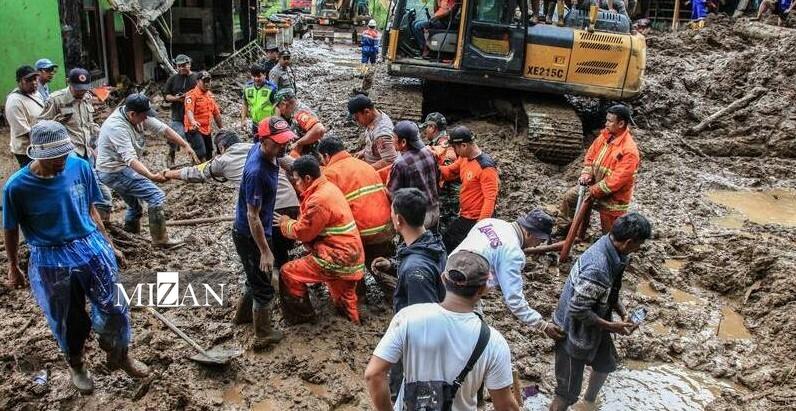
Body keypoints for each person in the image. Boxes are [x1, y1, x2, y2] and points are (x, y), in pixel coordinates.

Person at [3, 121, 148, 394]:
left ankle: (119, 353)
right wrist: (13, 265)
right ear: (37, 154)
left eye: (63, 154)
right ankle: (77, 364)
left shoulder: (80, 166)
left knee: (115, 306)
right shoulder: (17, 187)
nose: (61, 161)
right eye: (53, 157)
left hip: (91, 246)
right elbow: (10, 229)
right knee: (70, 320)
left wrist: (109, 244)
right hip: (52, 258)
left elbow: (91, 209)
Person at [364, 250, 520, 411]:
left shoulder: (408, 318)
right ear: (483, 289)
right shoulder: (493, 341)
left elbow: (373, 374)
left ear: (443, 279)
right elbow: (506, 406)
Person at [549, 213, 652, 411]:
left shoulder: (615, 251)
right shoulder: (598, 267)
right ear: (628, 242)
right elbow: (577, 309)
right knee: (566, 393)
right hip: (570, 329)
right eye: (639, 244)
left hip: (595, 318)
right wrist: (613, 327)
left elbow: (611, 290)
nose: (639, 249)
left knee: (605, 364)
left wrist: (623, 313)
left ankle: (589, 402)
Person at [95, 94, 199, 247]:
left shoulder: (136, 114)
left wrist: (185, 145)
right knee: (156, 196)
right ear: (133, 114)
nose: (146, 119)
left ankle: (130, 235)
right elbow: (130, 159)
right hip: (114, 171)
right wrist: (151, 176)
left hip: (117, 168)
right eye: (144, 116)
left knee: (135, 206)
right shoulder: (116, 127)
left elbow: (164, 129)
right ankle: (160, 240)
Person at [276, 155, 366, 325]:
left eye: (297, 180)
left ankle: (302, 319)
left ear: (307, 178)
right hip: (352, 253)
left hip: (335, 256)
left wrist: (285, 223)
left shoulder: (318, 200)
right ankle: (354, 324)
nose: (296, 184)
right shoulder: (328, 187)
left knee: (288, 272)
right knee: (344, 297)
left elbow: (303, 232)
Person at [450, 209, 565, 339]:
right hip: (465, 290)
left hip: (447, 271)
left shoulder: (490, 222)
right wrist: (543, 325)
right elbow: (514, 301)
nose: (539, 244)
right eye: (540, 240)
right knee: (472, 335)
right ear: (528, 233)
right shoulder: (513, 253)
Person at [232, 117, 294, 348]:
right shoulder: (257, 172)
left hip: (255, 228)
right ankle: (263, 333)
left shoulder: (266, 152)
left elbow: (284, 159)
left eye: (285, 141)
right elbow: (253, 216)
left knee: (254, 277)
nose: (283, 146)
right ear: (263, 140)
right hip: (251, 234)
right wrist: (265, 251)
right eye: (278, 143)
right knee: (264, 286)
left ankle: (243, 316)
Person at [38, 68, 114, 221]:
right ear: (69, 83)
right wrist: (57, 123)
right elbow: (41, 127)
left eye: (84, 89)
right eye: (78, 89)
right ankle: (77, 222)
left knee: (102, 195)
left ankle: (99, 225)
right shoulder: (56, 99)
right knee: (73, 192)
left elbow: (88, 124)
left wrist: (100, 139)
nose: (81, 92)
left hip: (87, 152)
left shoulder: (86, 97)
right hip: (68, 155)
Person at [317, 136, 393, 289]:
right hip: (385, 228)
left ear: (326, 156)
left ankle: (359, 295)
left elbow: (330, 211)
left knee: (352, 272)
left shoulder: (329, 175)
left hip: (360, 234)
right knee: (384, 269)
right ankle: (395, 294)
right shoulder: (365, 165)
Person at [560, 105, 640, 235]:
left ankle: (607, 242)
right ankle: (565, 231)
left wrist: (594, 190)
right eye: (606, 120)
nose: (606, 123)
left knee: (611, 235)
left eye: (610, 121)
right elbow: (590, 156)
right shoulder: (605, 137)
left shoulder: (629, 151)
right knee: (570, 198)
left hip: (613, 198)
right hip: (594, 186)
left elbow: (616, 181)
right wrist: (587, 173)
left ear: (621, 124)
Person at [440, 126, 499, 253]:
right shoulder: (464, 158)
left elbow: (490, 199)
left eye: (455, 147)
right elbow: (450, 171)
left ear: (464, 146)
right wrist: (431, 166)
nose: (454, 151)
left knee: (452, 245)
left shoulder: (486, 167)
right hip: (465, 214)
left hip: (476, 219)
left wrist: (480, 227)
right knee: (447, 242)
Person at [388, 120, 441, 231]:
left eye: (393, 137)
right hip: (435, 211)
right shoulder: (429, 153)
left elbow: (393, 194)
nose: (391, 140)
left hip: (418, 219)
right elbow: (437, 178)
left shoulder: (400, 164)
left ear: (403, 142)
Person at [421, 112, 460, 233]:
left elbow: (450, 170)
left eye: (426, 127)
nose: (425, 131)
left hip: (449, 196)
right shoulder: (440, 143)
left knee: (447, 230)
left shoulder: (445, 145)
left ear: (433, 127)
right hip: (446, 195)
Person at [5, 65, 44, 167]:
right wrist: (46, 138)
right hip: (26, 150)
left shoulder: (36, 94)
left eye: (35, 78)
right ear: (19, 82)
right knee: (33, 174)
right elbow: (23, 131)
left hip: (40, 145)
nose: (34, 82)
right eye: (29, 80)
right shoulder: (14, 102)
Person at [163, 54, 198, 166]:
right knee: (175, 135)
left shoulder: (197, 78)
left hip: (194, 115)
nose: (182, 68)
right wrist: (177, 98)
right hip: (177, 114)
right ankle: (171, 154)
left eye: (184, 65)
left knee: (194, 137)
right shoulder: (172, 79)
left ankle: (195, 158)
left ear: (189, 64)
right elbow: (166, 96)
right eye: (179, 66)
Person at [274, 88, 327, 158]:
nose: (279, 109)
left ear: (284, 104)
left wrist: (298, 143)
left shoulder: (300, 113)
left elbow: (319, 130)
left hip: (313, 157)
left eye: (278, 106)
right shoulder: (294, 112)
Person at [349, 95, 397, 170]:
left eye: (357, 118)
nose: (357, 122)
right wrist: (364, 152)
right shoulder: (375, 117)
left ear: (367, 112)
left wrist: (366, 170)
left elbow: (390, 161)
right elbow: (374, 144)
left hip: (377, 172)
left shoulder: (381, 135)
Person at [184, 71, 223, 161]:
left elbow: (216, 113)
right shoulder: (191, 95)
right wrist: (193, 121)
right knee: (201, 152)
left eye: (208, 81)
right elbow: (189, 110)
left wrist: (221, 128)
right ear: (198, 82)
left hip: (206, 129)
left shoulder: (210, 95)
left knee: (209, 152)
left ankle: (205, 166)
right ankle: (200, 167)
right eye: (204, 81)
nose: (207, 83)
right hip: (194, 129)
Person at [242, 63, 278, 136]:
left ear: (264, 75)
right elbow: (245, 104)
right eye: (254, 76)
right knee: (256, 142)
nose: (256, 79)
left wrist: (275, 124)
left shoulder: (272, 89)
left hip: (268, 125)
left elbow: (277, 107)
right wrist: (243, 120)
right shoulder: (247, 87)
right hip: (255, 124)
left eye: (259, 76)